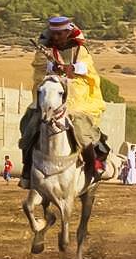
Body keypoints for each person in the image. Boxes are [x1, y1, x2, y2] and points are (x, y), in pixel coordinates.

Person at [19, 16, 115, 189]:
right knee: (28, 123)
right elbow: (38, 71)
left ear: (68, 32)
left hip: (77, 97)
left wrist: (72, 69)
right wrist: (52, 69)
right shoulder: (44, 49)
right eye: (54, 33)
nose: (56, 37)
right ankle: (27, 169)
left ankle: (94, 165)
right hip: (50, 94)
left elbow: (88, 70)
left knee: (81, 129)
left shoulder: (80, 49)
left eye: (60, 33)